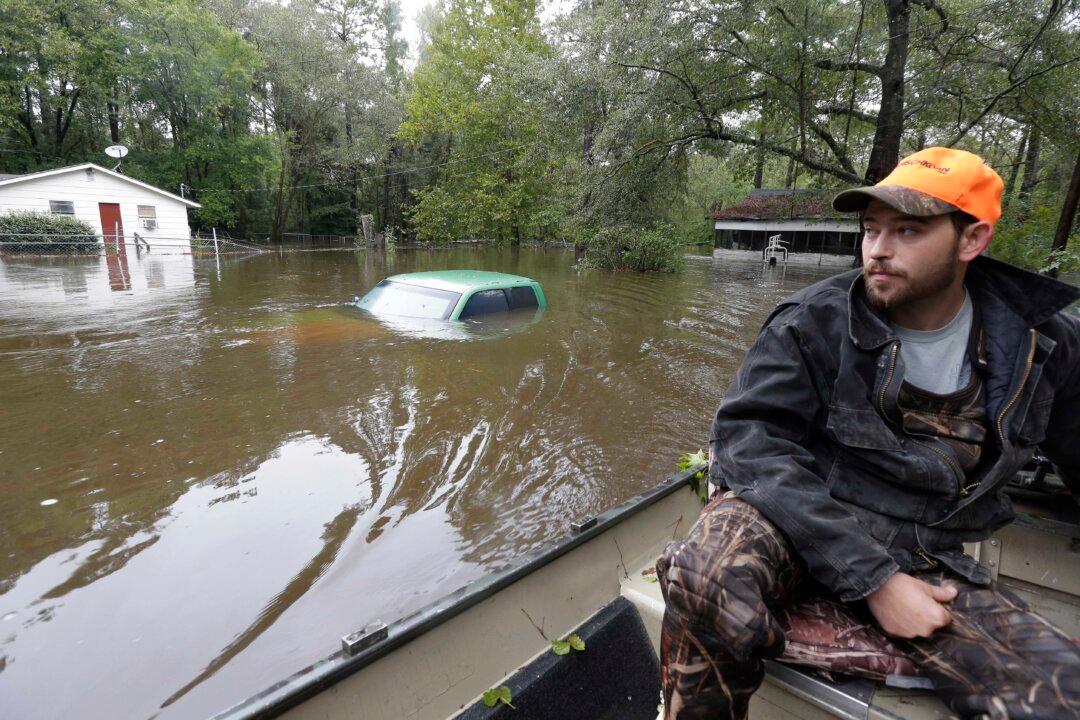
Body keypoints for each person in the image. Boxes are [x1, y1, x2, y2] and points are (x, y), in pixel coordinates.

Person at [657, 147, 1080, 720]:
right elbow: (749, 442)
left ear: (972, 240)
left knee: (1060, 697)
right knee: (706, 570)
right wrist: (875, 580)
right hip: (804, 516)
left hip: (931, 548)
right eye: (872, 229)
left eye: (907, 230)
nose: (878, 250)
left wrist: (900, 576)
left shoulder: (1045, 344)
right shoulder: (812, 321)